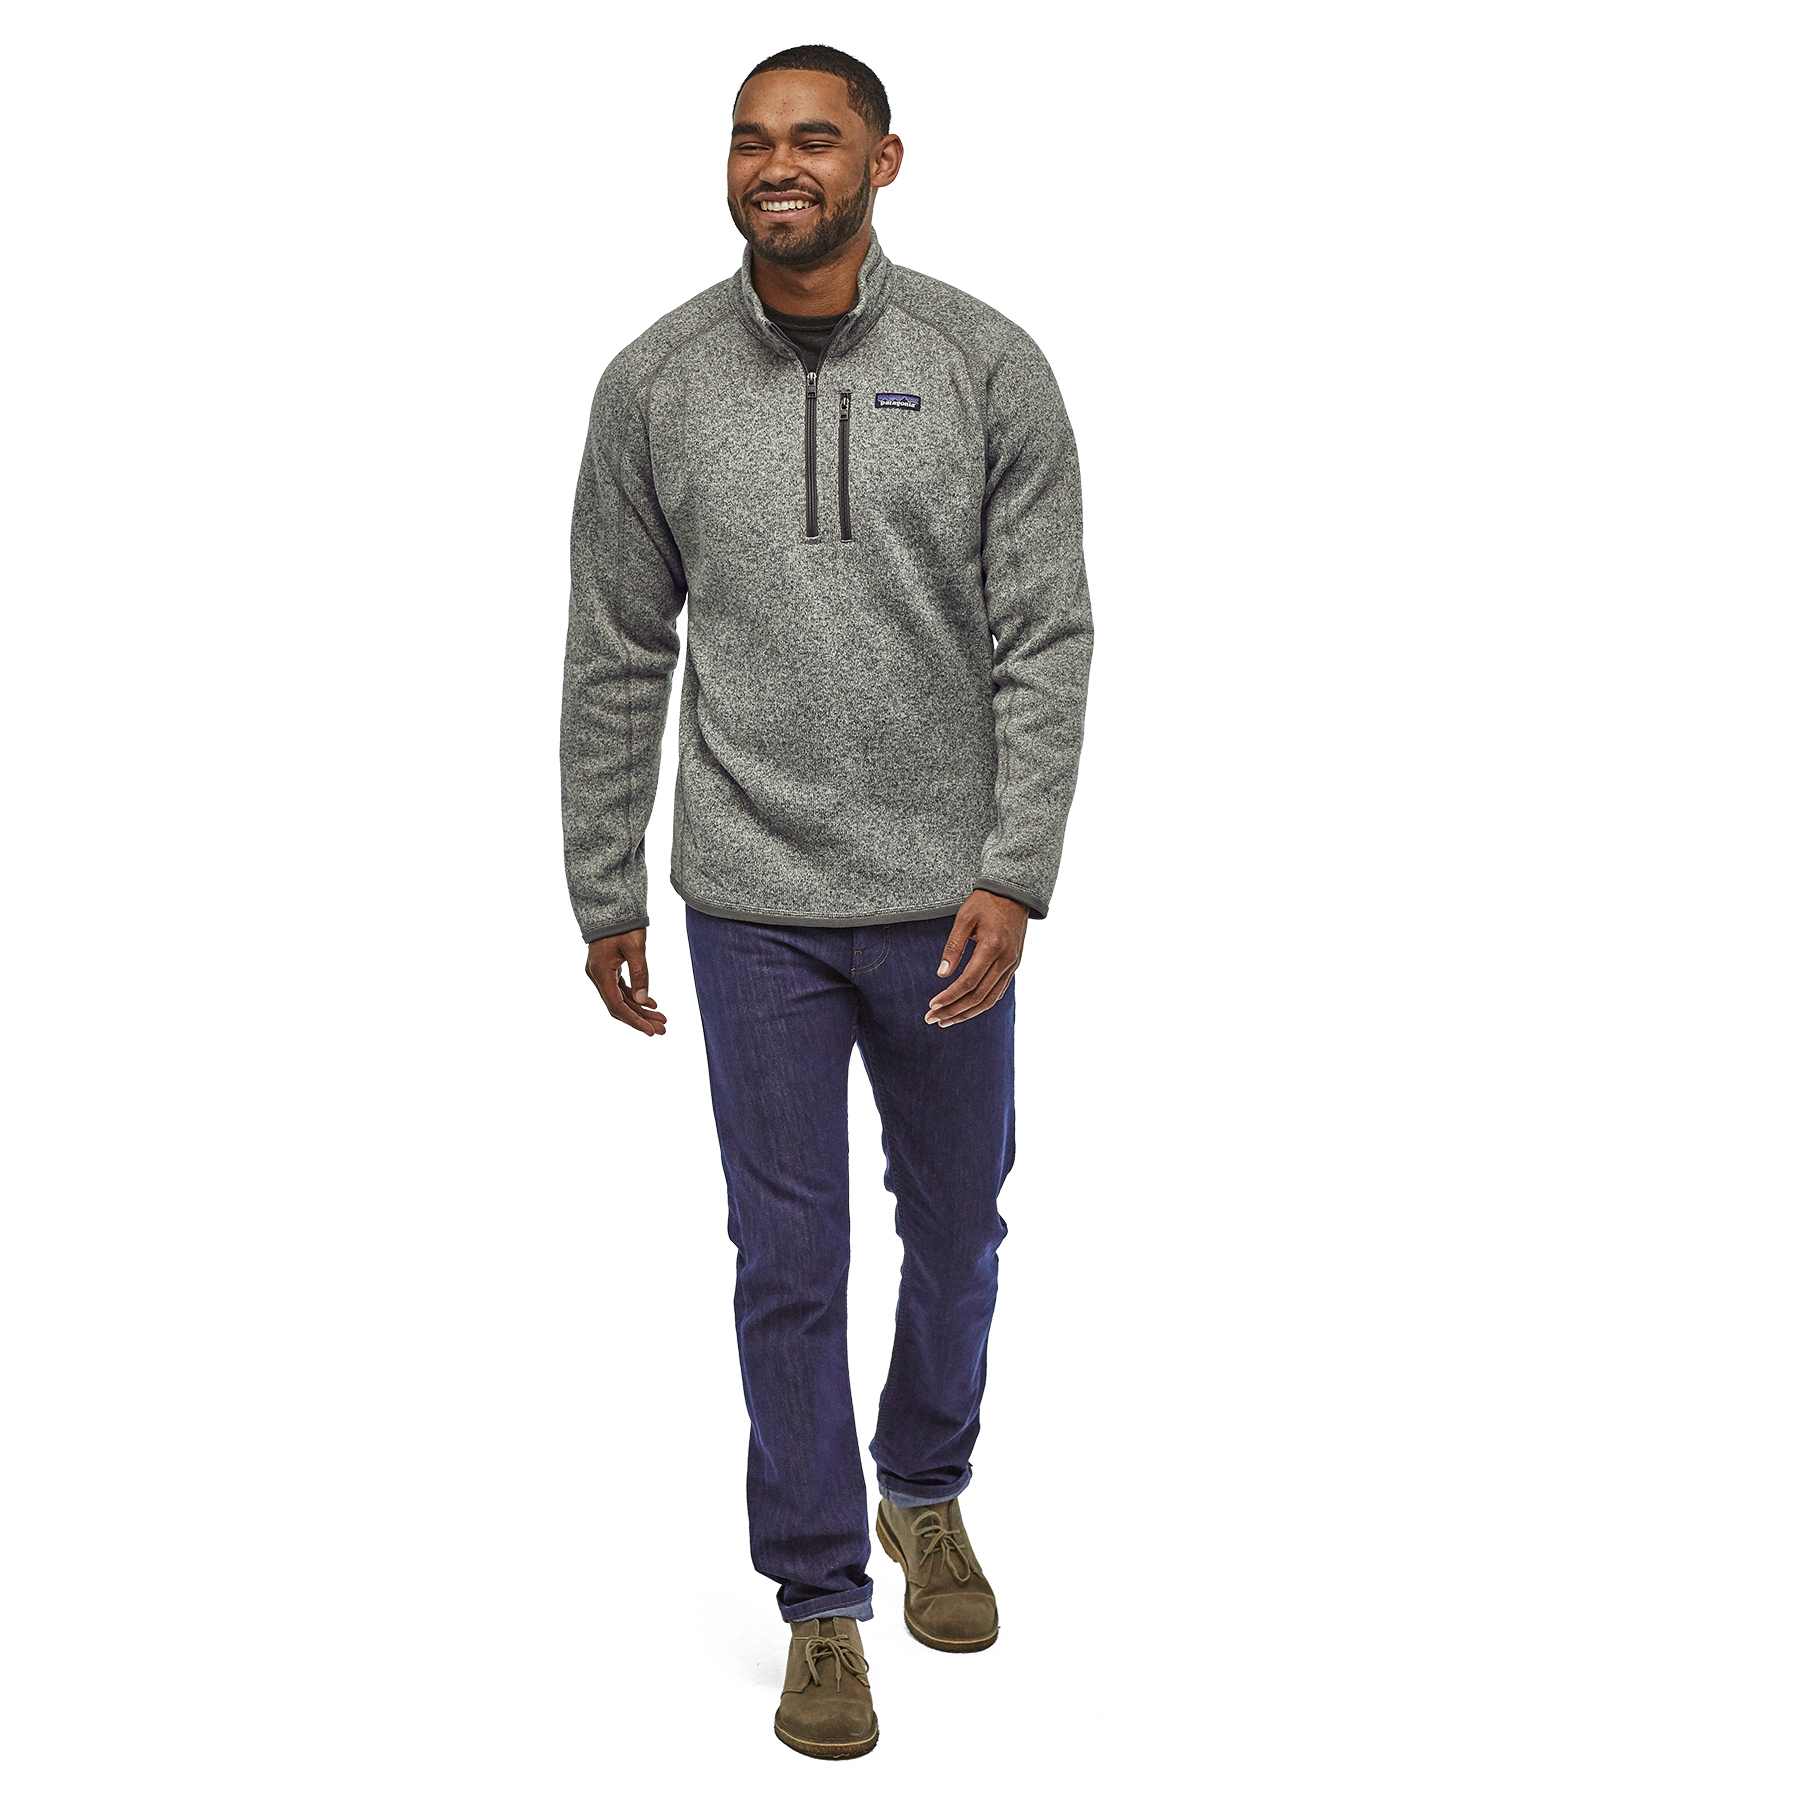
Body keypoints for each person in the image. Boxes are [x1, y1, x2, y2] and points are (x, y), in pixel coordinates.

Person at [559, 43, 1093, 1760]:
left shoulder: (985, 365)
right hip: (753, 899)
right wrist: (603, 879)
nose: (775, 165)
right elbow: (616, 647)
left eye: (812, 138)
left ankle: (921, 1487)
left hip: (947, 902)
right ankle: (820, 1603)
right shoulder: (654, 384)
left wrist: (1014, 868)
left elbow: (1047, 637)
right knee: (786, 1258)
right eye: (749, 139)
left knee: (959, 1223)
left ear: (882, 160)